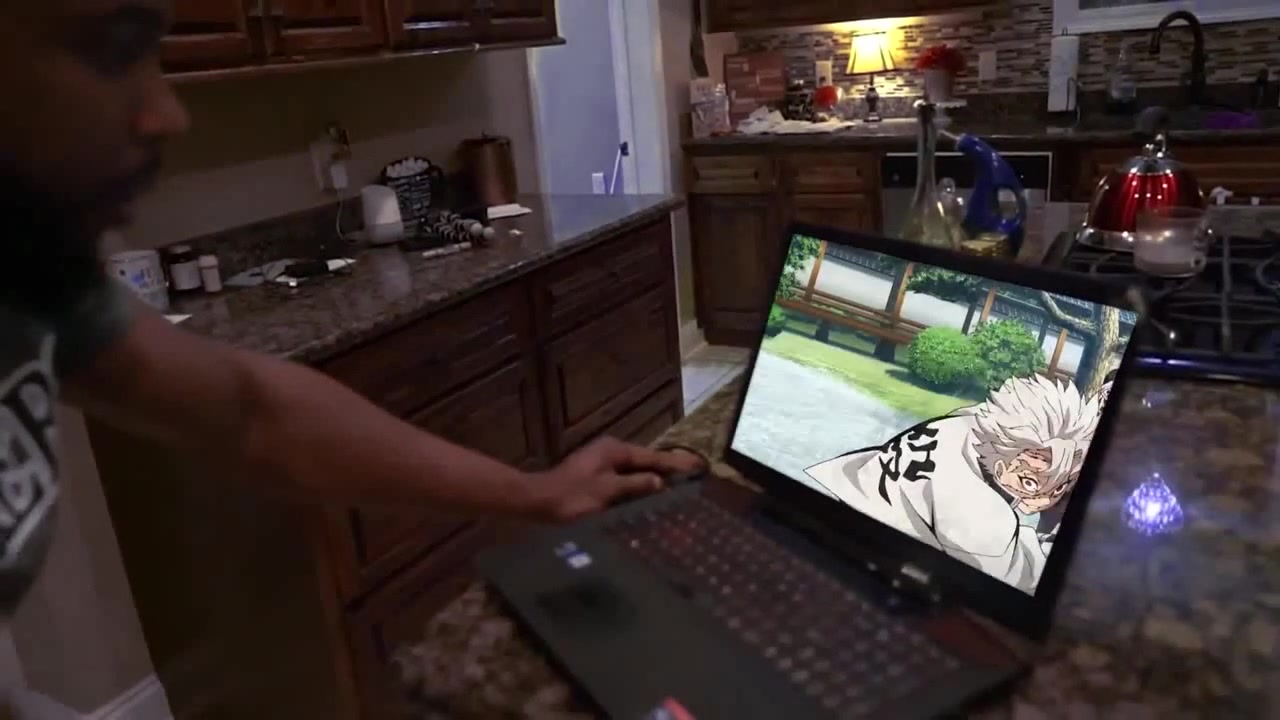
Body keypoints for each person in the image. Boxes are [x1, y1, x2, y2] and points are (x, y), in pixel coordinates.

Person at [0, 2, 697, 713]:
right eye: (112, 48)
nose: (168, 114)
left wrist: (534, 493)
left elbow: (253, 410)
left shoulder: (33, 275)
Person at [803, 374, 1101, 593]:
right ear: (1001, 467)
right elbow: (1029, 577)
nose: (1049, 494)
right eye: (1030, 482)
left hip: (844, 504)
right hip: (853, 554)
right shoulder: (977, 509)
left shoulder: (977, 425)